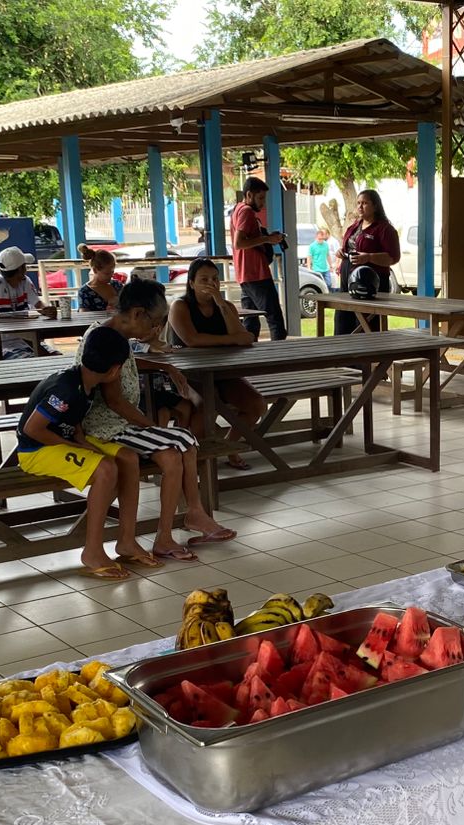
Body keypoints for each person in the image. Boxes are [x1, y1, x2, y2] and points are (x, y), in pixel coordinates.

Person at [74, 277, 236, 561]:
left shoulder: (113, 335)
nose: (156, 330)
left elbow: (126, 361)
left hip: (116, 424)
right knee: (180, 442)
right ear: (138, 314)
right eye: (156, 322)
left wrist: (165, 367)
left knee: (178, 449)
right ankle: (185, 520)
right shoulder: (105, 338)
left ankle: (179, 525)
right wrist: (150, 426)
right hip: (105, 428)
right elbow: (114, 401)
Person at [15, 325, 154, 580]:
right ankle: (92, 552)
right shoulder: (66, 388)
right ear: (115, 370)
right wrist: (76, 447)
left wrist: (81, 440)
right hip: (36, 450)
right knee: (106, 469)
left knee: (127, 458)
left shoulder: (86, 382)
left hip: (61, 440)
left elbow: (74, 418)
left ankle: (126, 541)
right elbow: (32, 429)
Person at [166, 258, 267, 471]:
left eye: (214, 279)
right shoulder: (180, 306)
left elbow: (243, 337)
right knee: (207, 405)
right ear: (191, 283)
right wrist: (232, 340)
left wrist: (221, 304)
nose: (210, 284)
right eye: (204, 279)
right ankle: (193, 459)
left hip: (222, 372)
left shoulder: (225, 306)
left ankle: (230, 446)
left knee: (256, 404)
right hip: (187, 374)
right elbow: (192, 340)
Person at [0, 246, 59, 360]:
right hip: (1, 346)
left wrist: (46, 309)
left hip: (28, 341)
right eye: (25, 265)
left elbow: (38, 304)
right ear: (21, 269)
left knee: (57, 358)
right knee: (32, 362)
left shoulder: (26, 282)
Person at [333, 189, 400, 336]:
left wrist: (369, 257)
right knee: (343, 320)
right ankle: (341, 350)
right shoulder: (354, 227)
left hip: (370, 282)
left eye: (364, 203)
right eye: (358, 203)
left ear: (375, 206)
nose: (360, 207)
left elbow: (393, 257)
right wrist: (341, 252)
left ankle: (367, 351)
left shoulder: (384, 229)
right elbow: (349, 247)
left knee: (366, 324)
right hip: (348, 279)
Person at [230, 177, 288, 341]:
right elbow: (239, 243)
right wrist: (267, 239)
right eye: (260, 198)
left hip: (245, 275)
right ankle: (281, 355)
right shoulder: (247, 212)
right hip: (257, 273)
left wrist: (266, 237)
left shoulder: (237, 209)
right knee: (275, 319)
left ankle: (250, 353)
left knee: (251, 321)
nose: (263, 203)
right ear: (249, 195)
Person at [76, 245, 123, 312]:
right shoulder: (85, 292)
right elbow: (84, 315)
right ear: (95, 270)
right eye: (107, 273)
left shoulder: (117, 285)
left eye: (112, 272)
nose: (111, 275)